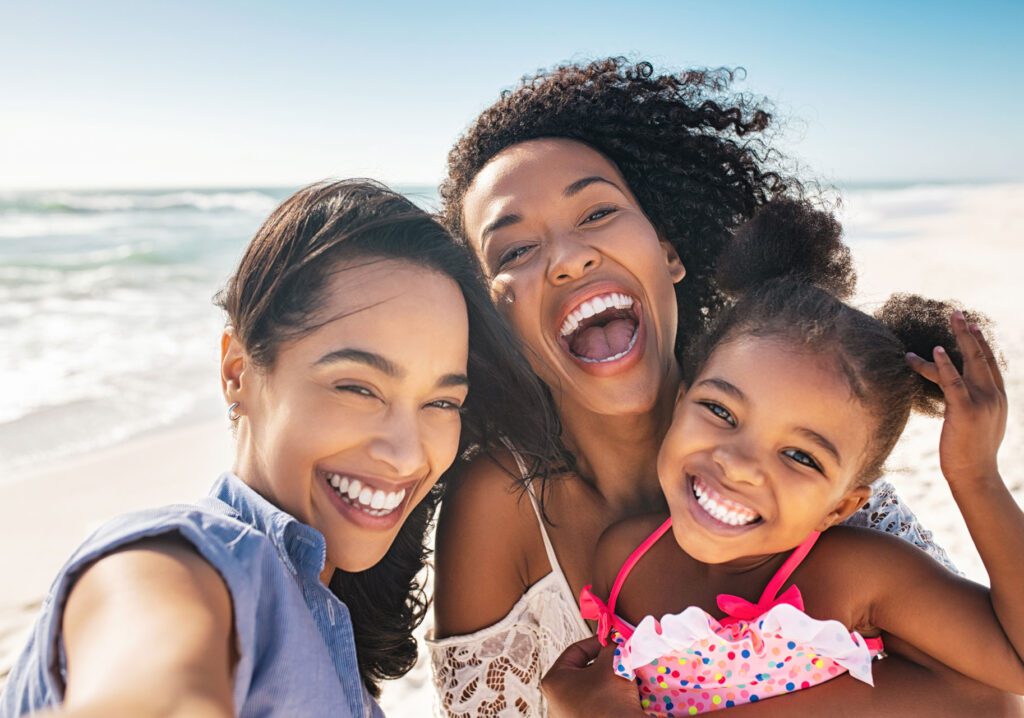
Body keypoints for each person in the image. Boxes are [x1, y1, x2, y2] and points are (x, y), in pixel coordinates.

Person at [428, 57, 1017, 716]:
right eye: (512, 252)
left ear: (669, 251)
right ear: (490, 317)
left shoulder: (827, 466)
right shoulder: (518, 512)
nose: (569, 258)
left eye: (596, 212)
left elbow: (996, 696)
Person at [0, 180, 558, 717]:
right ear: (238, 370)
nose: (408, 455)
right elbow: (153, 663)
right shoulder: (190, 560)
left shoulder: (324, 616)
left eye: (441, 403)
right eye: (358, 388)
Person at [580, 199, 1020, 715]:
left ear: (841, 507)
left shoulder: (858, 574)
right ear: (681, 405)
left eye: (800, 456)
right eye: (721, 410)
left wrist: (975, 477)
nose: (740, 463)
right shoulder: (622, 557)